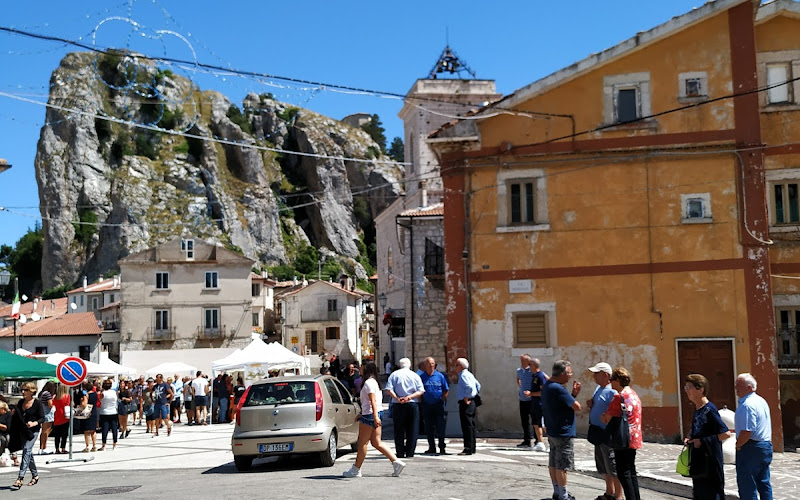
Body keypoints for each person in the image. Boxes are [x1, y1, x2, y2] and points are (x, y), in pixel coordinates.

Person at [342, 362, 405, 478]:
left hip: (370, 415)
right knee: (376, 442)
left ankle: (356, 469)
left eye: (361, 367)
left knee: (363, 443)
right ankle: (396, 461)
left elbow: (372, 401)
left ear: (365, 368)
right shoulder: (374, 382)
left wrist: (373, 416)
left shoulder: (368, 383)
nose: (359, 369)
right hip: (374, 413)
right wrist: (364, 413)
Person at [684, 373, 730, 500]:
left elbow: (725, 434)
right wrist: (689, 437)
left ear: (700, 389)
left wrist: (702, 442)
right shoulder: (698, 409)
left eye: (689, 387)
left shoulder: (710, 410)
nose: (686, 390)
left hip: (710, 463)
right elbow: (696, 428)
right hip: (699, 462)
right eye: (685, 387)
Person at [542, 359, 582, 500]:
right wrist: (574, 396)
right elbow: (576, 406)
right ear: (563, 373)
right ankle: (563, 495)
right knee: (562, 465)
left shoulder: (548, 385)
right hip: (563, 431)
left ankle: (557, 491)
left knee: (553, 462)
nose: (570, 376)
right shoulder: (558, 388)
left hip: (553, 430)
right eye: (569, 373)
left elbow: (564, 403)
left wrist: (573, 394)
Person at [602, 366, 643, 500]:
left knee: (623, 472)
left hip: (622, 438)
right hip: (634, 437)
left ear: (618, 380)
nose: (610, 382)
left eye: (612, 379)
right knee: (631, 471)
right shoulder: (633, 394)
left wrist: (603, 415)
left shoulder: (619, 397)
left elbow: (606, 418)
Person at [733, 373, 773, 500]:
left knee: (747, 485)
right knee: (764, 482)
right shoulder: (761, 401)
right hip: (765, 446)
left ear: (749, 387)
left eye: (739, 385)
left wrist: (738, 445)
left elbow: (747, 431)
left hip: (751, 447)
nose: (735, 388)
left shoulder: (747, 405)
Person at [586, 362, 622, 500]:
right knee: (602, 465)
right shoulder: (598, 388)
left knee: (612, 465)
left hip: (607, 433)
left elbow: (615, 411)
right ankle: (609, 492)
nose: (594, 376)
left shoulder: (612, 391)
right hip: (597, 432)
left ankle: (618, 496)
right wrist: (591, 403)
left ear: (606, 375)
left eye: (597, 373)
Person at [384, 357, 425, 458]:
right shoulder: (415, 375)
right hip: (412, 403)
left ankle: (400, 452)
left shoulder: (394, 375)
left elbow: (389, 389)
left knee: (399, 430)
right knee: (412, 429)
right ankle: (410, 451)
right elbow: (421, 391)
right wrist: (409, 397)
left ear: (399, 365)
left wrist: (397, 398)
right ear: (410, 365)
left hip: (398, 404)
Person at [10, 382, 44, 489]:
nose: (23, 392)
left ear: (32, 391)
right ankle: (35, 475)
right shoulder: (21, 402)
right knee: (28, 453)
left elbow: (42, 418)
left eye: (25, 390)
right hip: (23, 431)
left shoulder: (37, 403)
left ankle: (20, 477)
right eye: (22, 390)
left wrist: (34, 423)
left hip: (33, 431)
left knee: (26, 450)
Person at [419, 356, 449, 455]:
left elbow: (446, 389)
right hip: (426, 405)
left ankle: (442, 447)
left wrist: (443, 399)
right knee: (428, 427)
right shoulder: (422, 377)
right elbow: (418, 390)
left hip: (438, 405)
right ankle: (431, 447)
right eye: (429, 364)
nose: (431, 366)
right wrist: (421, 401)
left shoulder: (440, 376)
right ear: (425, 365)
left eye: (432, 363)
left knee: (440, 426)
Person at [455, 357, 481, 456]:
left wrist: (466, 397)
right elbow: (478, 385)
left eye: (456, 365)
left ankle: (468, 448)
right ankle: (472, 447)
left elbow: (469, 387)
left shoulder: (463, 375)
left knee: (467, 425)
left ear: (461, 366)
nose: (455, 367)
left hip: (466, 402)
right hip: (472, 401)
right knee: (471, 424)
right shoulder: (469, 374)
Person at [527, 358, 549, 452]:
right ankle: (540, 443)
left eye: (530, 364)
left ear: (535, 365)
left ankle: (552, 442)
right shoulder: (534, 376)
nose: (529, 367)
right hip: (534, 403)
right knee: (536, 424)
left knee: (543, 425)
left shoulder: (540, 376)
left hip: (540, 404)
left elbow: (543, 392)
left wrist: (531, 394)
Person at [516, 354, 535, 449]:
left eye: (523, 360)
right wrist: (521, 388)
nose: (521, 362)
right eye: (521, 360)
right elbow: (518, 379)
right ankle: (526, 440)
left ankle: (537, 439)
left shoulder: (531, 371)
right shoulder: (519, 371)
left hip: (531, 399)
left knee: (535, 420)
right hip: (522, 399)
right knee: (524, 421)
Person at [98, 379, 118, 451]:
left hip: (104, 412)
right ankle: (114, 444)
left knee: (105, 429)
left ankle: (104, 445)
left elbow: (100, 401)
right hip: (113, 411)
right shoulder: (114, 392)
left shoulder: (102, 393)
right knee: (114, 429)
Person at [79, 381, 99, 452]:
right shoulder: (95, 394)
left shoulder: (86, 395)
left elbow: (84, 404)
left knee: (87, 430)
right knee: (93, 430)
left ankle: (87, 446)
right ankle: (94, 445)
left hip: (87, 412)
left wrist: (81, 401)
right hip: (94, 411)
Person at [37, 381, 56, 455]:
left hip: (42, 413)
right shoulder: (48, 394)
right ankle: (44, 447)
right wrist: (53, 398)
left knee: (43, 431)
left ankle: (41, 447)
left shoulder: (41, 393)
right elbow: (50, 404)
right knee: (46, 431)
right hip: (47, 413)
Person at [0, 401, 19, 466]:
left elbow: (7, 427)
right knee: (2, 440)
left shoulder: (8, 415)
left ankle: (15, 458)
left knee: (10, 440)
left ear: (3, 408)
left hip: (7, 432)